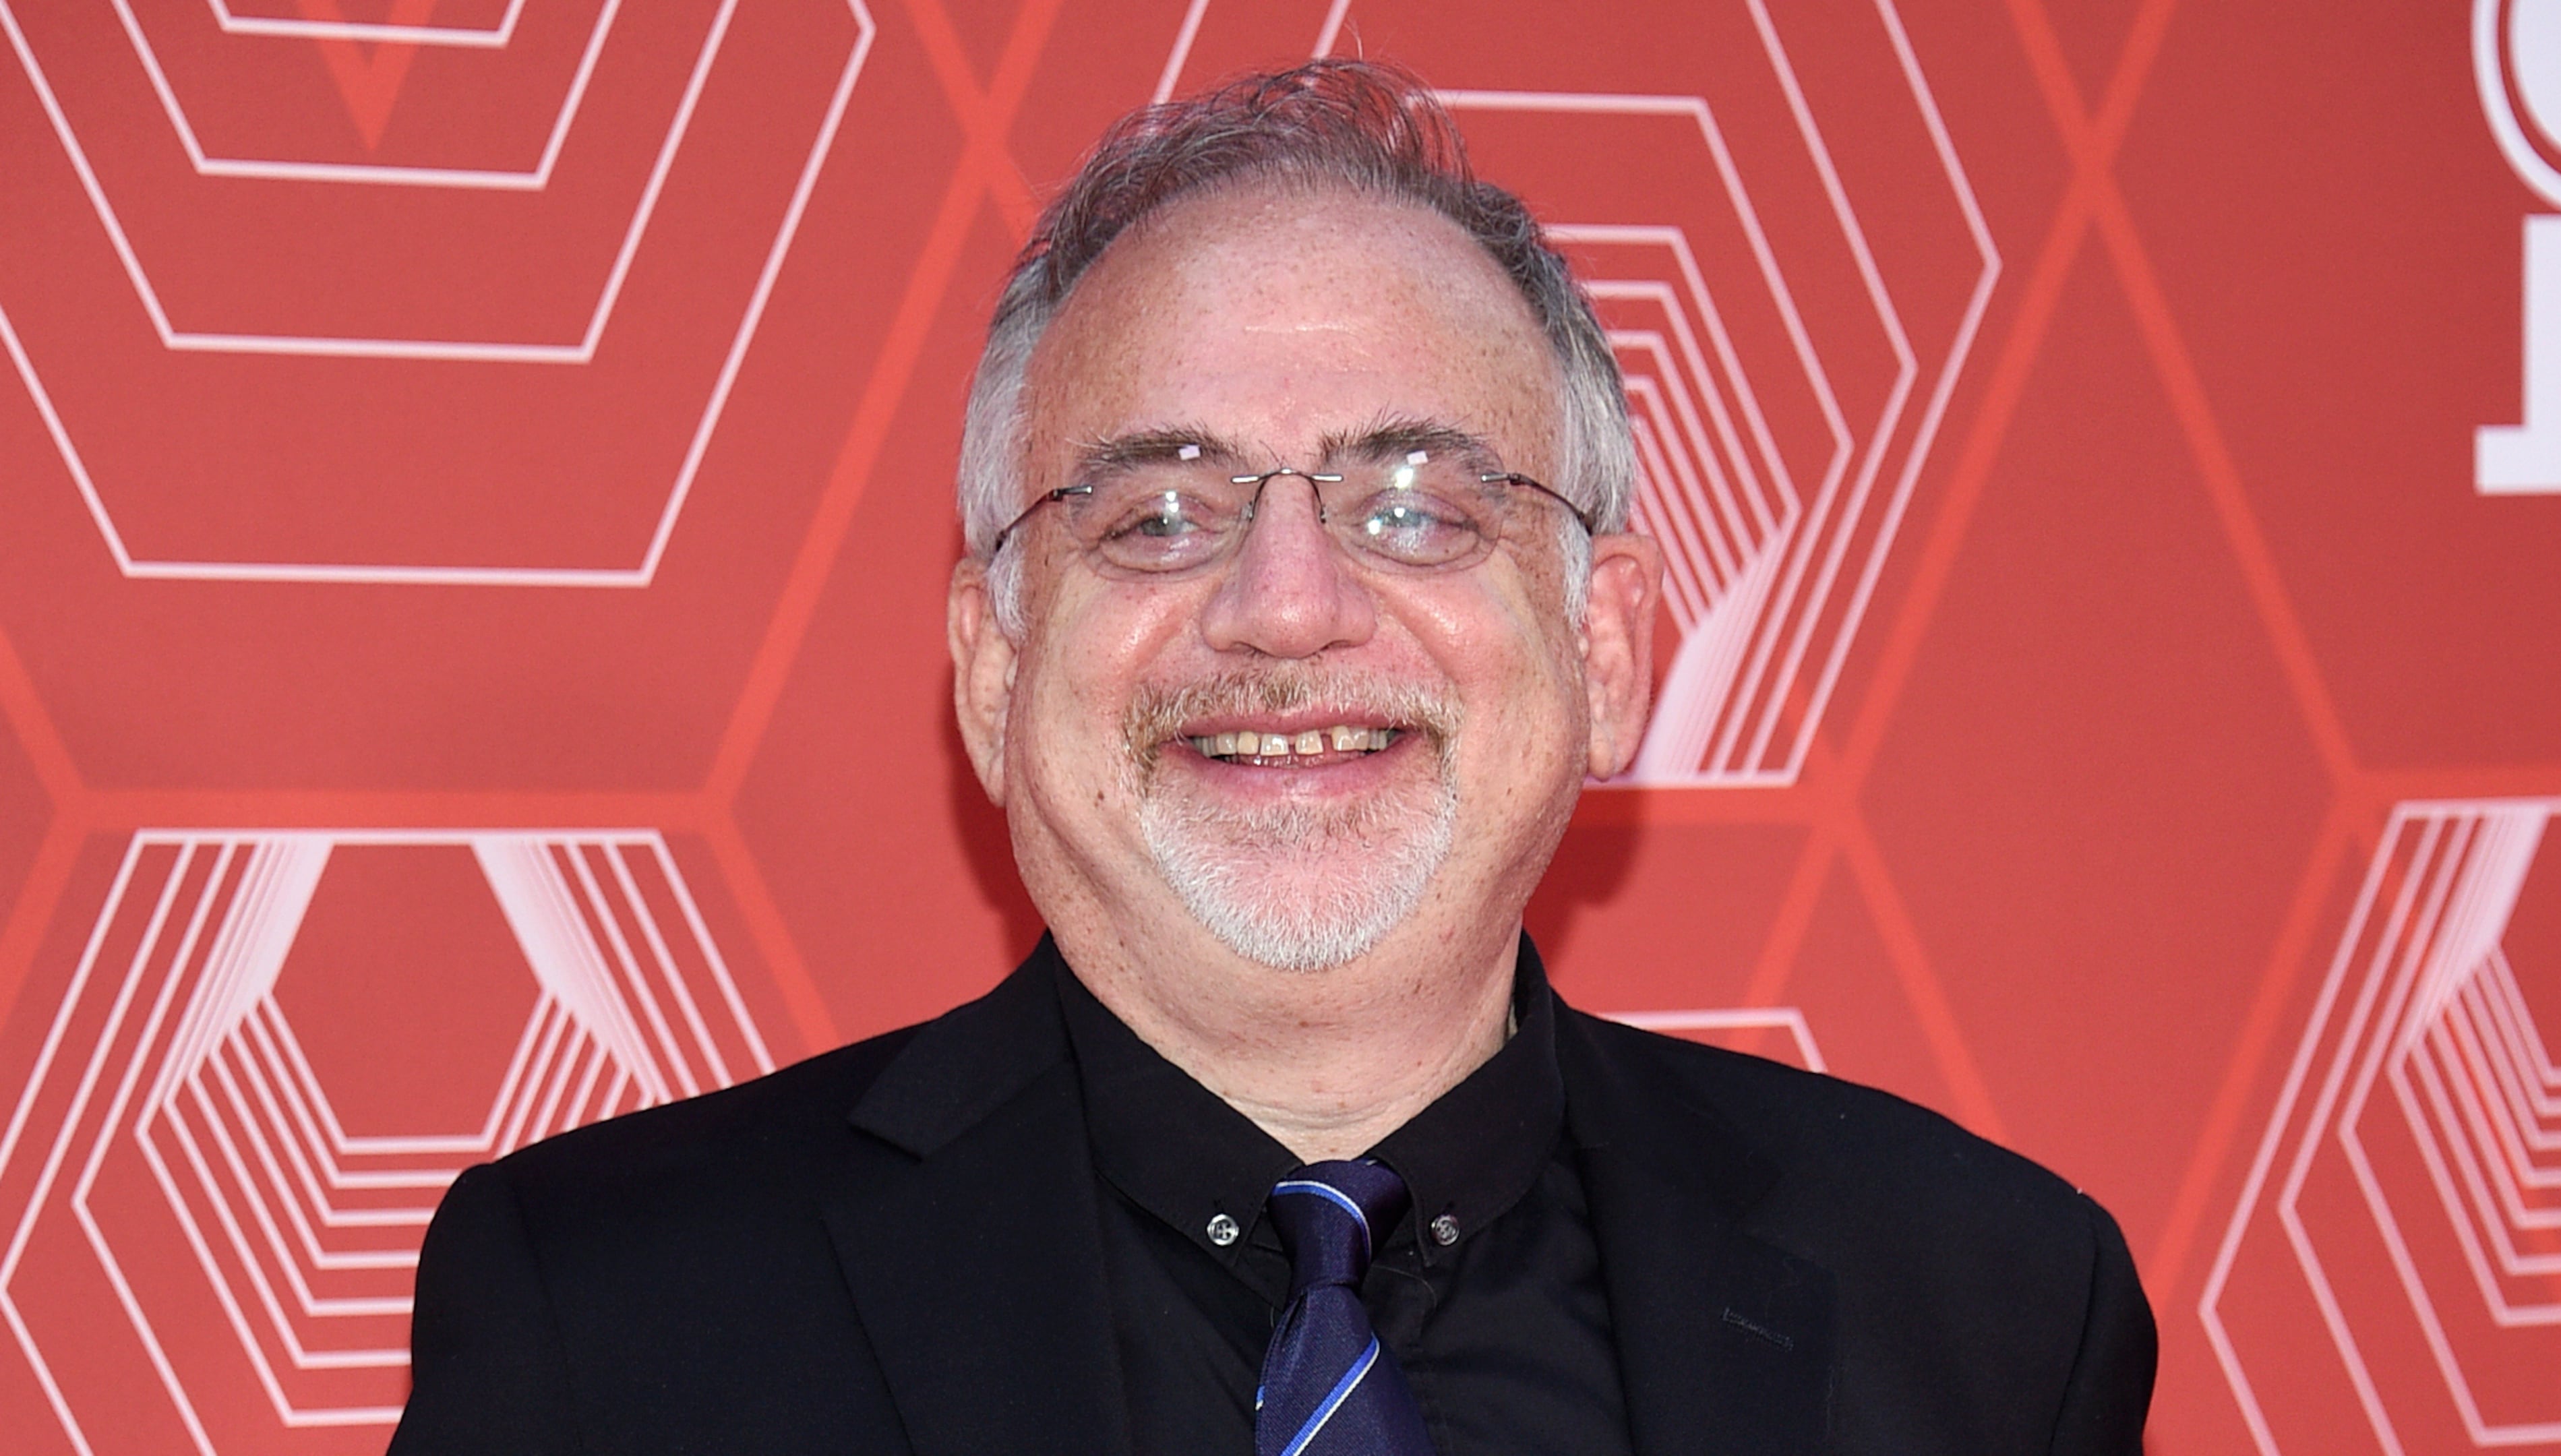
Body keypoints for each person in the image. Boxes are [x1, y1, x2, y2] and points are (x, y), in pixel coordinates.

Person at [390, 61, 2156, 1455]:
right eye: (1160, 516)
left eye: (1419, 506)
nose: (1288, 607)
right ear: (995, 670)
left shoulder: (1994, 1314)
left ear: (1606, 652)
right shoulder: (608, 1319)